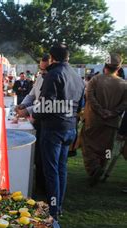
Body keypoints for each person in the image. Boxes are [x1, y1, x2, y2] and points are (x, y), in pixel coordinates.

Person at [31, 43, 85, 219]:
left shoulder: (53, 74)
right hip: (70, 128)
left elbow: (46, 105)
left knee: (52, 170)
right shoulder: (78, 77)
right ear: (68, 57)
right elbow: (80, 106)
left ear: (52, 58)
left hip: (54, 129)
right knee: (61, 168)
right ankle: (58, 206)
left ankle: (53, 210)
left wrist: (34, 115)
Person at [81, 53, 127, 186]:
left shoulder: (95, 79)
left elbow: (90, 97)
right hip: (112, 122)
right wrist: (113, 113)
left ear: (104, 66)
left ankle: (94, 168)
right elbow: (125, 103)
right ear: (118, 68)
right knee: (107, 148)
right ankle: (102, 167)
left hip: (93, 120)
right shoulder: (124, 84)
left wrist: (101, 111)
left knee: (88, 145)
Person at [15, 54, 50, 193]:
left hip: (45, 119)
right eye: (40, 70)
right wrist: (22, 105)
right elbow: (31, 94)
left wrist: (27, 110)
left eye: (44, 70)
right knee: (38, 155)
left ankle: (45, 186)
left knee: (45, 156)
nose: (41, 72)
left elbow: (46, 103)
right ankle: (40, 183)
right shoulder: (41, 77)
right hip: (37, 118)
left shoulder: (54, 78)